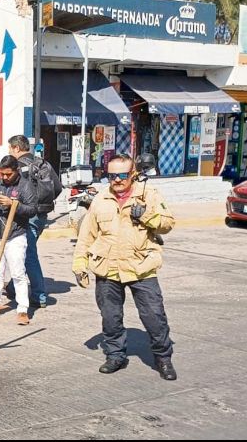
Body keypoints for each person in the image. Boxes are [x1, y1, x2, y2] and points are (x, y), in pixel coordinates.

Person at [72, 154, 177, 380]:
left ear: (133, 174)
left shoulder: (149, 194)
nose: (117, 180)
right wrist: (80, 264)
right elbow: (86, 235)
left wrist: (147, 215)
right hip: (107, 267)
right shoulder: (101, 199)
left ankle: (163, 358)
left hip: (141, 265)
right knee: (110, 317)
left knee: (154, 316)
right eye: (112, 176)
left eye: (122, 175)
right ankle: (115, 356)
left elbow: (168, 224)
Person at [7, 135, 63, 308]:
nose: (9, 152)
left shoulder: (17, 166)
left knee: (29, 254)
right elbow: (58, 187)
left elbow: (14, 192)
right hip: (42, 215)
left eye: (10, 148)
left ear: (16, 148)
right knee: (23, 251)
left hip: (26, 215)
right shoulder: (43, 164)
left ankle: (39, 296)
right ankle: (12, 288)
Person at [0, 155, 38, 324]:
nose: (5, 177)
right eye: (2, 174)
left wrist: (13, 204)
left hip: (15, 235)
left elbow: (32, 210)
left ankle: (22, 309)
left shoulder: (26, 186)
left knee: (18, 272)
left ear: (16, 170)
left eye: (8, 174)